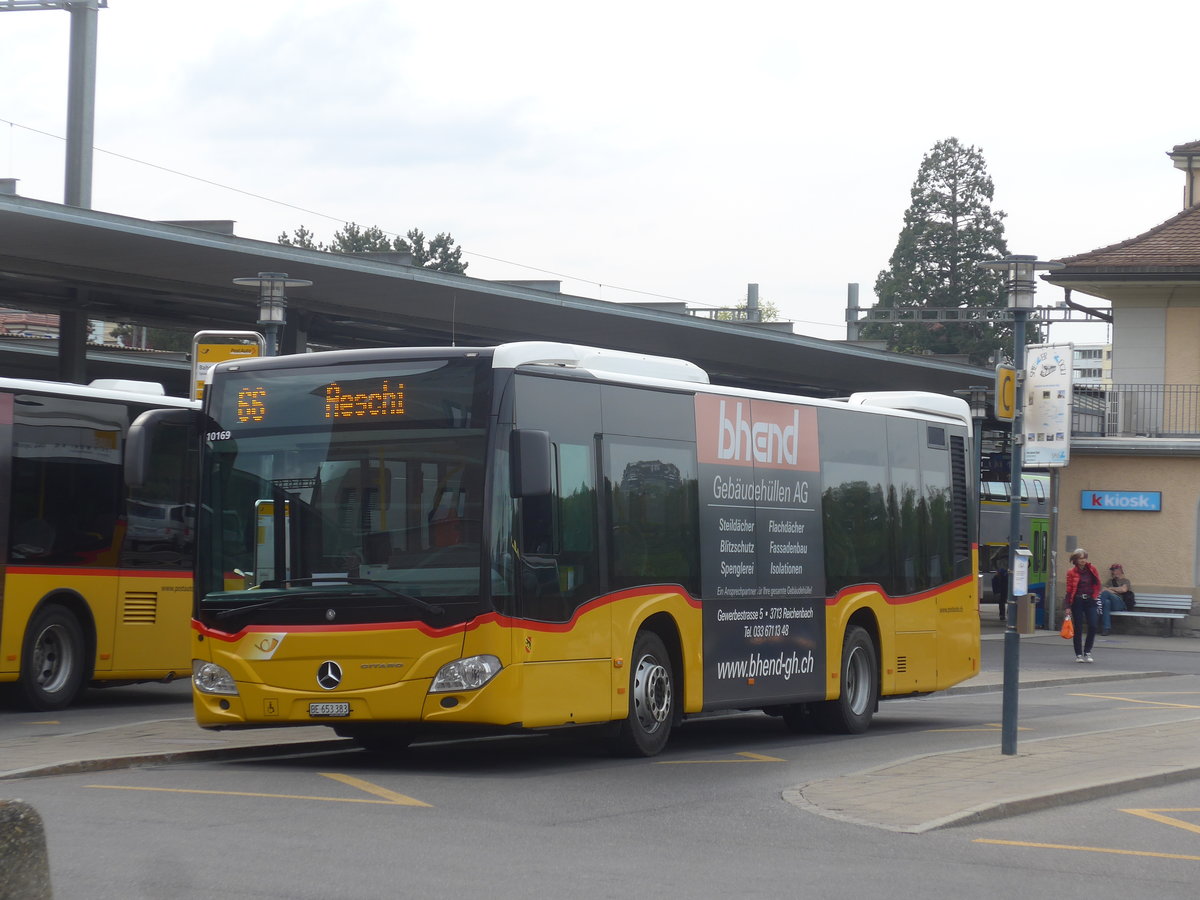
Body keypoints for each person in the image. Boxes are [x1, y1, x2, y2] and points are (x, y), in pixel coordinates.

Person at [1064, 548, 1102, 663]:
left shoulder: (1092, 569)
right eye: (1081, 558)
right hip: (1078, 601)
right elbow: (1069, 590)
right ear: (1075, 560)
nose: (1083, 560)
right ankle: (1079, 654)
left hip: (1090, 600)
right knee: (1078, 627)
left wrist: (1095, 594)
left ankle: (1087, 651)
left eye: (1085, 558)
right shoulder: (1071, 572)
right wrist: (1067, 606)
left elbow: (1097, 583)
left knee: (1093, 625)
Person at [1099, 563, 1133, 635]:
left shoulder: (1125, 581)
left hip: (1120, 604)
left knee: (1106, 594)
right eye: (1114, 570)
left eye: (1118, 570)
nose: (1116, 572)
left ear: (1121, 571)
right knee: (1106, 602)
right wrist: (1114, 591)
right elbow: (1103, 589)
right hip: (1111, 604)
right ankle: (1106, 629)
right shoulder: (1110, 581)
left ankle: (1097, 609)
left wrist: (1110, 589)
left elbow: (1123, 590)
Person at [991, 556, 1009, 622]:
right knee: (1011, 600)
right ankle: (1009, 614)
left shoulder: (999, 559)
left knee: (1002, 601)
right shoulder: (1011, 556)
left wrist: (996, 592)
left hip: (1002, 586)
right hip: (1008, 584)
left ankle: (1002, 615)